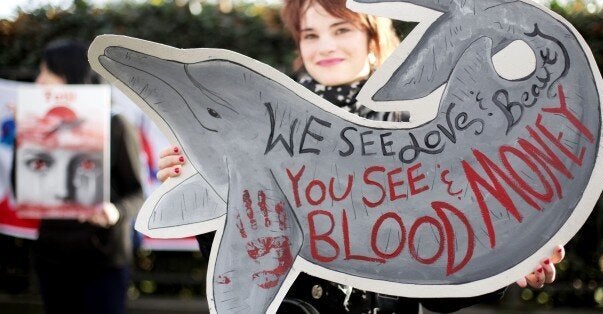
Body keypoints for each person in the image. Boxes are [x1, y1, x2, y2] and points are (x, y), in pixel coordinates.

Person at [156, 0, 564, 312]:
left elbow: (442, 276)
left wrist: (512, 268)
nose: (325, 46)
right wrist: (207, 185)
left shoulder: (424, 130)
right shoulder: (258, 128)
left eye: (341, 29)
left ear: (371, 37)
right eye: (310, 35)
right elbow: (239, 265)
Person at [12, 39, 145, 314]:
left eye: (45, 73)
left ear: (68, 75)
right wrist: (25, 137)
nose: (38, 82)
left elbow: (137, 193)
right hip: (52, 256)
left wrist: (114, 212)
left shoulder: (116, 123)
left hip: (103, 258)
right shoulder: (36, 125)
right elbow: (20, 188)